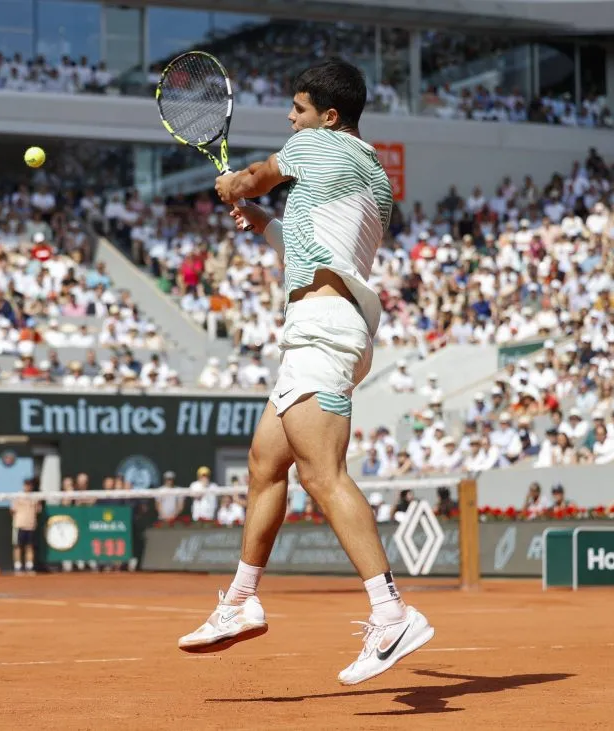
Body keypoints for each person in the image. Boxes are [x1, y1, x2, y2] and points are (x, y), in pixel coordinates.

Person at [178, 59, 433, 685]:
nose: (290, 119)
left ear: (330, 116)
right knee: (266, 463)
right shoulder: (372, 178)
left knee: (323, 475)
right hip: (328, 328)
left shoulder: (317, 145)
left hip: (322, 332)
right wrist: (264, 221)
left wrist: (236, 187)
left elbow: (258, 176)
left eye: (298, 109)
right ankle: (241, 600)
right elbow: (318, 248)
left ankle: (391, 612)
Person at [11, 477, 39, 574]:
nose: (28, 487)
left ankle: (29, 566)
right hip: (19, 525)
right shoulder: (18, 496)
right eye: (26, 485)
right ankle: (17, 566)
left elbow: (38, 510)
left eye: (29, 485)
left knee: (29, 546)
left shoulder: (35, 497)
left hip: (31, 526)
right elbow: (12, 510)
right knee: (17, 546)